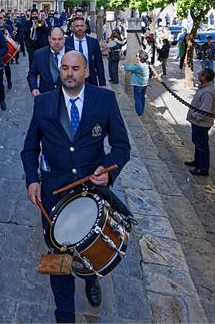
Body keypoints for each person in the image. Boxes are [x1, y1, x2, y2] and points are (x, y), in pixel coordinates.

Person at [21, 51, 131, 323]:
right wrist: (32, 179)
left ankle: (91, 278)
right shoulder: (44, 103)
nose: (69, 73)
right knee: (58, 256)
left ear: (86, 71)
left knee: (90, 249)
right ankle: (65, 316)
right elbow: (29, 148)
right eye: (65, 68)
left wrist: (107, 171)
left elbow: (121, 147)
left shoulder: (105, 100)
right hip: (53, 195)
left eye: (75, 69)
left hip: (90, 194)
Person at [185, 68, 215, 176]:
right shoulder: (205, 88)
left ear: (204, 77)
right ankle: (197, 162)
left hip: (201, 123)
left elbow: (204, 111)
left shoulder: (208, 92)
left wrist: (195, 116)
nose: (198, 74)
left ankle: (203, 168)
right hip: (198, 123)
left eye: (200, 73)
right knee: (197, 143)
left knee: (202, 145)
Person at [65, 17, 106, 86]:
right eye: (77, 26)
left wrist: (102, 83)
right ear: (72, 28)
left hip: (90, 79)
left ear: (86, 27)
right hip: (72, 80)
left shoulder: (93, 42)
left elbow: (99, 63)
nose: (79, 28)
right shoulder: (66, 42)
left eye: (82, 26)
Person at [28, 27, 66, 96]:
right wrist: (34, 88)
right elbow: (32, 74)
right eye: (54, 39)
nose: (57, 42)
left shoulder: (72, 54)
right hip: (45, 95)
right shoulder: (39, 54)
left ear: (64, 39)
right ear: (49, 39)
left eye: (60, 39)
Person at [123, 51, 151, 116]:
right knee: (142, 97)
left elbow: (128, 68)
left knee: (137, 98)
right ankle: (141, 110)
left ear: (139, 58)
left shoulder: (139, 65)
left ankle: (139, 113)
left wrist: (125, 62)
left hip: (139, 84)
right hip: (145, 83)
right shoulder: (146, 63)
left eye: (137, 55)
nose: (136, 56)